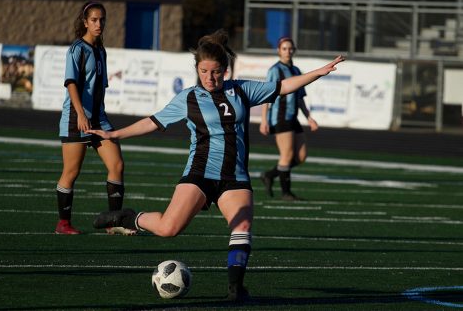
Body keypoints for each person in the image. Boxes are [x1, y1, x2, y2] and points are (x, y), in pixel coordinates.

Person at [87, 29, 344, 302]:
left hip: (235, 176)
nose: (211, 77)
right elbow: (152, 121)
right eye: (204, 71)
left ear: (226, 69)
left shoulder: (242, 90)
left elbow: (283, 87)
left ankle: (236, 288)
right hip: (199, 174)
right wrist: (115, 134)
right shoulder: (187, 98)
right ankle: (127, 218)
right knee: (168, 229)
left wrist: (319, 72)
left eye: (217, 71)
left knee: (242, 226)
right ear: (197, 69)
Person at [55, 1, 135, 236]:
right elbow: (71, 83)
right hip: (76, 118)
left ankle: (114, 222)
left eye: (102, 20)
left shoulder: (101, 50)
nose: (99, 24)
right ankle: (63, 224)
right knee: (71, 172)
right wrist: (80, 113)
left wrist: (95, 115)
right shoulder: (76, 49)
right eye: (94, 20)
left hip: (99, 119)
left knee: (117, 165)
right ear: (84, 22)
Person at [259, 37, 318, 201]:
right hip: (280, 117)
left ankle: (270, 175)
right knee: (286, 155)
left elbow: (300, 98)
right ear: (279, 50)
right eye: (284, 48)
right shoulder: (274, 70)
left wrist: (309, 118)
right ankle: (286, 193)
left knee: (301, 156)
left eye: (290, 48)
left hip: (293, 117)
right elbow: (266, 96)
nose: (288, 51)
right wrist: (264, 120)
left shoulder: (297, 70)